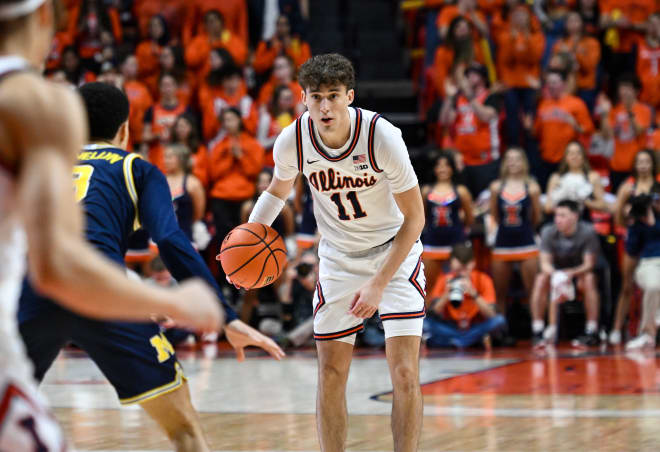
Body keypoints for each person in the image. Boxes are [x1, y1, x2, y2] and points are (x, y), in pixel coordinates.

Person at [19, 82, 284, 452]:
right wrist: (227, 316)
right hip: (103, 295)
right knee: (184, 429)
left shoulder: (41, 166)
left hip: (35, 290)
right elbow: (171, 241)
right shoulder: (136, 169)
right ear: (125, 130)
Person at [0, 1, 219, 448]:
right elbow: (59, 266)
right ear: (45, 18)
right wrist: (174, 300)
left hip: (17, 304)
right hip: (63, 291)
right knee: (183, 426)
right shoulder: (35, 101)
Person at [239, 54, 426, 451]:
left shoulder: (381, 136)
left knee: (406, 373)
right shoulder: (293, 139)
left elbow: (415, 219)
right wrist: (251, 235)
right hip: (339, 259)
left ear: (350, 97)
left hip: (394, 253)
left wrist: (378, 284)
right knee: (330, 372)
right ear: (303, 97)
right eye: (317, 97)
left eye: (334, 96)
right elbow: (277, 190)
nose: (325, 107)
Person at [531, 200, 601, 348]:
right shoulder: (548, 231)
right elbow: (544, 264)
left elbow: (589, 264)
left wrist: (571, 273)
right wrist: (558, 275)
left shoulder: (587, 232)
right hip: (556, 273)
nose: (558, 219)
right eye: (556, 215)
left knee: (589, 279)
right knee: (541, 279)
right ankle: (538, 330)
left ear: (575, 216)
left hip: (578, 272)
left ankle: (591, 330)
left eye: (563, 215)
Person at [609, 149, 659, 344]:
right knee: (627, 285)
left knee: (652, 285)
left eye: (647, 162)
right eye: (640, 162)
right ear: (635, 165)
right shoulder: (627, 187)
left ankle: (649, 327)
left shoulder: (658, 186)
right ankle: (616, 328)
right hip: (634, 238)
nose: (643, 166)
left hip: (654, 236)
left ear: (652, 164)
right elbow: (618, 217)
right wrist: (628, 212)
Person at [489, 148, 541, 318]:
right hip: (503, 242)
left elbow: (536, 217)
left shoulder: (532, 188)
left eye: (517, 159)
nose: (513, 162)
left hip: (526, 241)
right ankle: (500, 331)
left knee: (532, 290)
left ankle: (537, 328)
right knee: (500, 293)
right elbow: (495, 216)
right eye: (509, 159)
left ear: (523, 162)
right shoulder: (496, 187)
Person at [424, 244, 505, 348]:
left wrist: (474, 293)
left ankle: (452, 342)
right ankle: (473, 342)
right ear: (451, 265)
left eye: (465, 269)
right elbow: (433, 313)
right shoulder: (445, 280)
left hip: (474, 325)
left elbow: (492, 314)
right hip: (451, 326)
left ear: (473, 264)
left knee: (499, 321)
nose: (462, 273)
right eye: (458, 270)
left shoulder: (483, 279)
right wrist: (446, 294)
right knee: (424, 323)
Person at [439, 62, 502, 197]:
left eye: (474, 75)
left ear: (483, 78)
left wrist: (471, 97)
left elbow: (485, 116)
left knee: (483, 200)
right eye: (467, 75)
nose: (469, 78)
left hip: (486, 161)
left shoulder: (491, 96)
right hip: (462, 161)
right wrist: (450, 97)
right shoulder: (459, 98)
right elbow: (444, 120)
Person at [208, 107, 265, 248]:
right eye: (225, 121)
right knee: (223, 239)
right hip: (221, 196)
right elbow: (214, 174)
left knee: (245, 238)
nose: (227, 124)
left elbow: (254, 172)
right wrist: (228, 158)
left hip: (244, 196)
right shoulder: (218, 146)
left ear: (239, 120)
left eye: (230, 119)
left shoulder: (252, 144)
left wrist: (240, 156)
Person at [421, 151, 473, 301]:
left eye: (446, 165)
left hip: (456, 245)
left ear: (452, 168)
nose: (442, 169)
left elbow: (470, 219)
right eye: (439, 166)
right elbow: (421, 218)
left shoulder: (461, 191)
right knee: (428, 288)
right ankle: (428, 322)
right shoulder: (426, 191)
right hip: (432, 244)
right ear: (434, 169)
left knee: (458, 288)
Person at [532, 69, 594, 189]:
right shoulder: (543, 104)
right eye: (549, 83)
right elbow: (537, 133)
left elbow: (588, 130)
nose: (551, 86)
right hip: (545, 160)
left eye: (554, 82)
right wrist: (529, 127)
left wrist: (575, 126)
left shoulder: (576, 103)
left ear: (564, 84)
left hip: (567, 162)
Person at [496, 5, 545, 146]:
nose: (520, 18)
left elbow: (534, 58)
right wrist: (512, 40)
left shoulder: (537, 36)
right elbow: (506, 60)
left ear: (529, 19)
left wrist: (527, 39)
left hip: (530, 83)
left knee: (530, 121)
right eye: (517, 15)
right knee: (512, 121)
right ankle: (514, 149)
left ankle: (530, 153)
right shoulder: (505, 36)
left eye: (523, 15)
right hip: (511, 83)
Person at [600, 74, 652, 192]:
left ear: (637, 91)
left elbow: (639, 131)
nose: (624, 91)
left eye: (628, 88)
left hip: (636, 167)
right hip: (616, 165)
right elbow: (607, 135)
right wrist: (604, 115)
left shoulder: (644, 110)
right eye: (622, 87)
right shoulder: (615, 109)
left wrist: (629, 111)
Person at [623, 185, 660, 350]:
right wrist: (636, 223)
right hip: (648, 263)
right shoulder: (639, 221)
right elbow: (631, 250)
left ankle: (656, 321)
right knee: (654, 285)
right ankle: (647, 333)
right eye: (656, 200)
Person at [551, 11, 601, 112]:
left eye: (576, 20)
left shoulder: (592, 43)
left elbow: (590, 67)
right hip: (566, 88)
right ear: (565, 24)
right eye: (570, 21)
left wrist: (576, 54)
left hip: (585, 86)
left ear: (582, 23)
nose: (573, 24)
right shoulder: (560, 44)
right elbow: (554, 67)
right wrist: (564, 57)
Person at [544, 141, 607, 215]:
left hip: (582, 219)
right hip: (558, 220)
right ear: (566, 158)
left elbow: (602, 204)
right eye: (571, 154)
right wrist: (562, 200)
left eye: (578, 153)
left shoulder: (592, 177)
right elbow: (547, 207)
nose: (575, 157)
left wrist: (585, 201)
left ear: (583, 157)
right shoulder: (556, 178)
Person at [163, 144, 207, 247]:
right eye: (165, 157)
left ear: (181, 160)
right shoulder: (160, 180)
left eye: (169, 157)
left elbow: (198, 214)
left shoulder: (193, 183)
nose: (166, 161)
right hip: (160, 240)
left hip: (186, 239)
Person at [637, 13, 660, 110]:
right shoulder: (637, 45)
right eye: (651, 23)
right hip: (643, 95)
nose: (654, 26)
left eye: (657, 23)